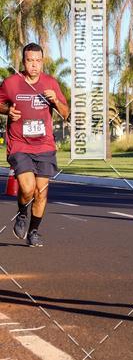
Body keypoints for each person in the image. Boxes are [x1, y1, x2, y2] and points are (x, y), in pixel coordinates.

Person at [0, 43, 69, 247]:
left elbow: (65, 113)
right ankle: (22, 213)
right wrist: (7, 111)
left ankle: (34, 231)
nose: (34, 65)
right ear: (23, 62)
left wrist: (55, 100)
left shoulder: (50, 83)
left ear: (42, 61)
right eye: (30, 61)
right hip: (19, 144)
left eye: (38, 61)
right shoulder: (11, 83)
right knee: (28, 187)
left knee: (41, 192)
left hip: (44, 145)